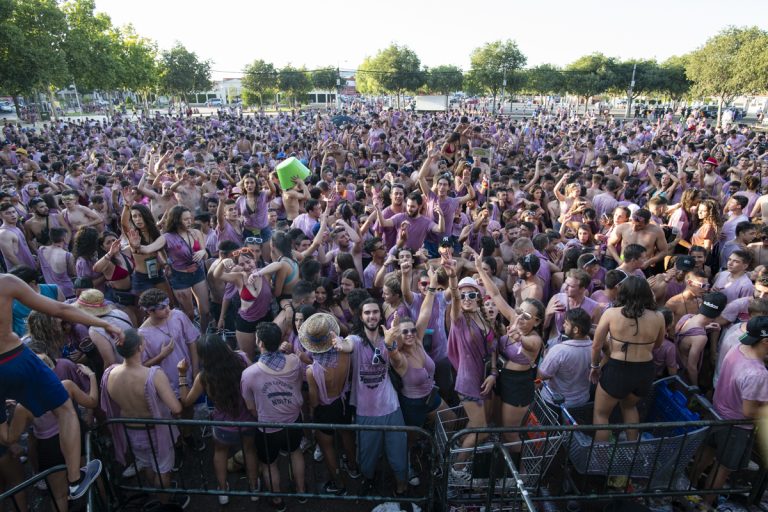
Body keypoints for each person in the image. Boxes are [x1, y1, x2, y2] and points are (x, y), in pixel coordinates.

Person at [0, 272, 122, 500]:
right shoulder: (5, 282)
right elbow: (60, 309)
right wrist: (104, 323)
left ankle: (13, 434)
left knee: (6, 437)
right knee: (65, 408)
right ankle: (75, 479)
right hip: (13, 358)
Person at [100, 328, 188, 509]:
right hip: (156, 433)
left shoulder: (109, 374)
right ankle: (164, 504)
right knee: (163, 469)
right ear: (140, 347)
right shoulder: (153, 375)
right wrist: (181, 375)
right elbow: (177, 408)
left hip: (132, 432)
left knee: (147, 464)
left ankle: (158, 495)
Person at [3, 351, 98, 512]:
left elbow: (11, 438)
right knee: (92, 477)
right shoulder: (66, 386)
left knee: (59, 495)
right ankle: (106, 503)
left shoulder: (22, 406)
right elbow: (92, 402)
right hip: (74, 436)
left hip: (48, 447)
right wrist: (92, 376)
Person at [333, 299, 409, 496]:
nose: (371, 316)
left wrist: (392, 340)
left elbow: (399, 361)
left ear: (380, 316)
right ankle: (368, 480)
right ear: (361, 317)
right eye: (367, 313)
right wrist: (341, 344)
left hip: (391, 407)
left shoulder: (387, 338)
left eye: (375, 312)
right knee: (367, 455)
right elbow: (348, 344)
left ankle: (402, 486)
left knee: (398, 452)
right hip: (365, 410)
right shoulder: (356, 340)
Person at [176, 333, 260, 505]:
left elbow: (186, 401)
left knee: (220, 453)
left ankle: (223, 491)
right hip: (248, 420)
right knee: (250, 451)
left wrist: (182, 375)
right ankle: (254, 489)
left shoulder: (204, 377)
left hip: (222, 425)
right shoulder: (242, 359)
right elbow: (256, 378)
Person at [696, 316, 768, 506]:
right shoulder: (758, 374)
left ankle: (689, 488)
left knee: (706, 454)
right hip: (735, 426)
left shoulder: (738, 348)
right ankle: (704, 505)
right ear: (765, 341)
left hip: (716, 413)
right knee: (723, 468)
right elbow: (749, 411)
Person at [591, 276, 665, 442]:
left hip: (618, 369)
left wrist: (594, 366)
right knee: (630, 407)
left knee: (601, 414)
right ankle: (632, 449)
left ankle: (599, 454)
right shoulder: (658, 316)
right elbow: (658, 344)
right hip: (644, 371)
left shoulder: (611, 313)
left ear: (623, 292)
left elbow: (596, 346)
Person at [241, 322, 306, 511]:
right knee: (295, 452)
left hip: (268, 426)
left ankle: (277, 500)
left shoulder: (249, 373)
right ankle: (302, 492)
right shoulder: (294, 361)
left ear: (259, 342)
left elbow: (250, 407)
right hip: (293, 420)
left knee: (269, 464)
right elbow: (299, 382)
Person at [300, 312, 359, 495]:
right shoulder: (345, 352)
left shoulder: (312, 371)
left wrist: (312, 412)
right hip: (344, 400)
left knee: (326, 446)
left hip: (325, 409)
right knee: (347, 434)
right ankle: (353, 468)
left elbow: (314, 400)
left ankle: (338, 484)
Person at [132, 205, 210, 331]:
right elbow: (148, 249)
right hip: (180, 278)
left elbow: (205, 255)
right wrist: (137, 246)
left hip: (198, 273)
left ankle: (203, 334)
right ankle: (188, 335)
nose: (189, 222)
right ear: (176, 220)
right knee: (189, 314)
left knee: (205, 311)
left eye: (190, 218)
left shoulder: (196, 233)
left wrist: (203, 252)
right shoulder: (167, 237)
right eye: (185, 219)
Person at [538, 307, 593, 408]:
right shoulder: (594, 348)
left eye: (566, 324)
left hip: (554, 403)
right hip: (582, 401)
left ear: (576, 330)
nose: (563, 325)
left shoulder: (559, 350)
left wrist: (546, 359)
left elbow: (542, 376)